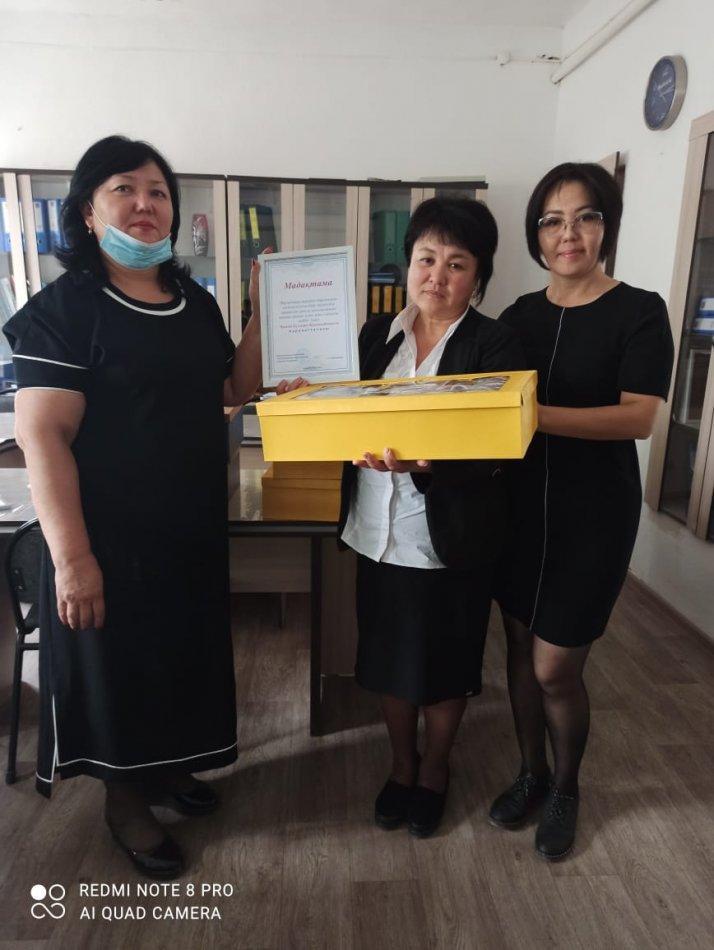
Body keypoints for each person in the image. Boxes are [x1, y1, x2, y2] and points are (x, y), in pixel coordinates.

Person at [4, 135, 304, 879]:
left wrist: (260, 313)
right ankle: (124, 802)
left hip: (188, 527)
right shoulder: (64, 311)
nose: (145, 204)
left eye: (159, 192)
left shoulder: (192, 302)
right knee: (123, 668)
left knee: (179, 657)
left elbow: (231, 389)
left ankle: (169, 770)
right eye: (124, 189)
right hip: (106, 537)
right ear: (87, 211)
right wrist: (73, 560)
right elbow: (42, 437)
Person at [491, 162, 674, 859]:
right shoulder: (518, 317)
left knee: (554, 668)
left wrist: (532, 416)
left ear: (606, 227)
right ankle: (530, 773)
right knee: (517, 649)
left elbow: (637, 418)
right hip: (518, 512)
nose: (568, 234)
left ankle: (567, 786)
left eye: (586, 217)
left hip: (593, 518)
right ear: (536, 235)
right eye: (552, 221)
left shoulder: (641, 311)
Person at [339, 197, 525, 837]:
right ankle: (401, 765)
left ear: (478, 276)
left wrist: (431, 463)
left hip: (451, 536)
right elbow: (341, 407)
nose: (436, 277)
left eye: (456, 263)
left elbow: (502, 447)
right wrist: (303, 394)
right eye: (426, 258)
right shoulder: (374, 335)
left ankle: (437, 769)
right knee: (388, 659)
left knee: (445, 668)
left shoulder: (495, 343)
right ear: (407, 263)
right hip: (376, 529)